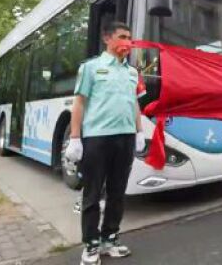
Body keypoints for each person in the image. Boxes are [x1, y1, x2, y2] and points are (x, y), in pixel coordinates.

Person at [65, 22, 145, 265]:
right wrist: (75, 138)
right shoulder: (91, 68)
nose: (128, 42)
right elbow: (79, 103)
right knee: (92, 194)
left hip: (125, 137)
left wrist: (139, 132)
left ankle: (110, 238)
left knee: (117, 192)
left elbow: (134, 104)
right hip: (98, 138)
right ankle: (90, 245)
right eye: (122, 37)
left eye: (130, 38)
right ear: (107, 39)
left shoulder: (132, 72)